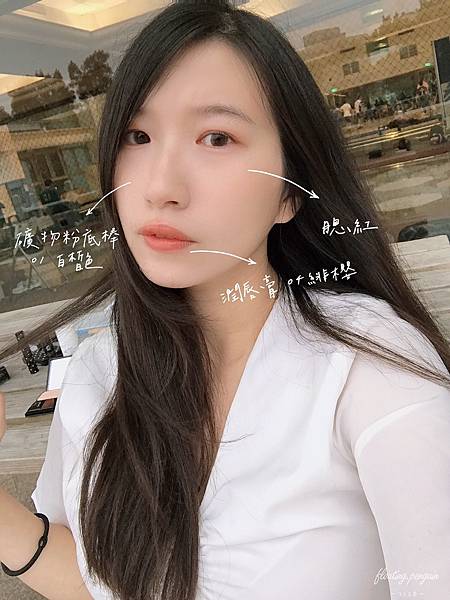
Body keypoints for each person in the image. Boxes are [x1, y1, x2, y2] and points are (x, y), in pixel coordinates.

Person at [0, 1, 449, 599]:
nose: (160, 186)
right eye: (138, 136)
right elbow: (97, 582)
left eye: (217, 137)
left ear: (290, 193)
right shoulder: (96, 374)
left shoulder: (369, 368)